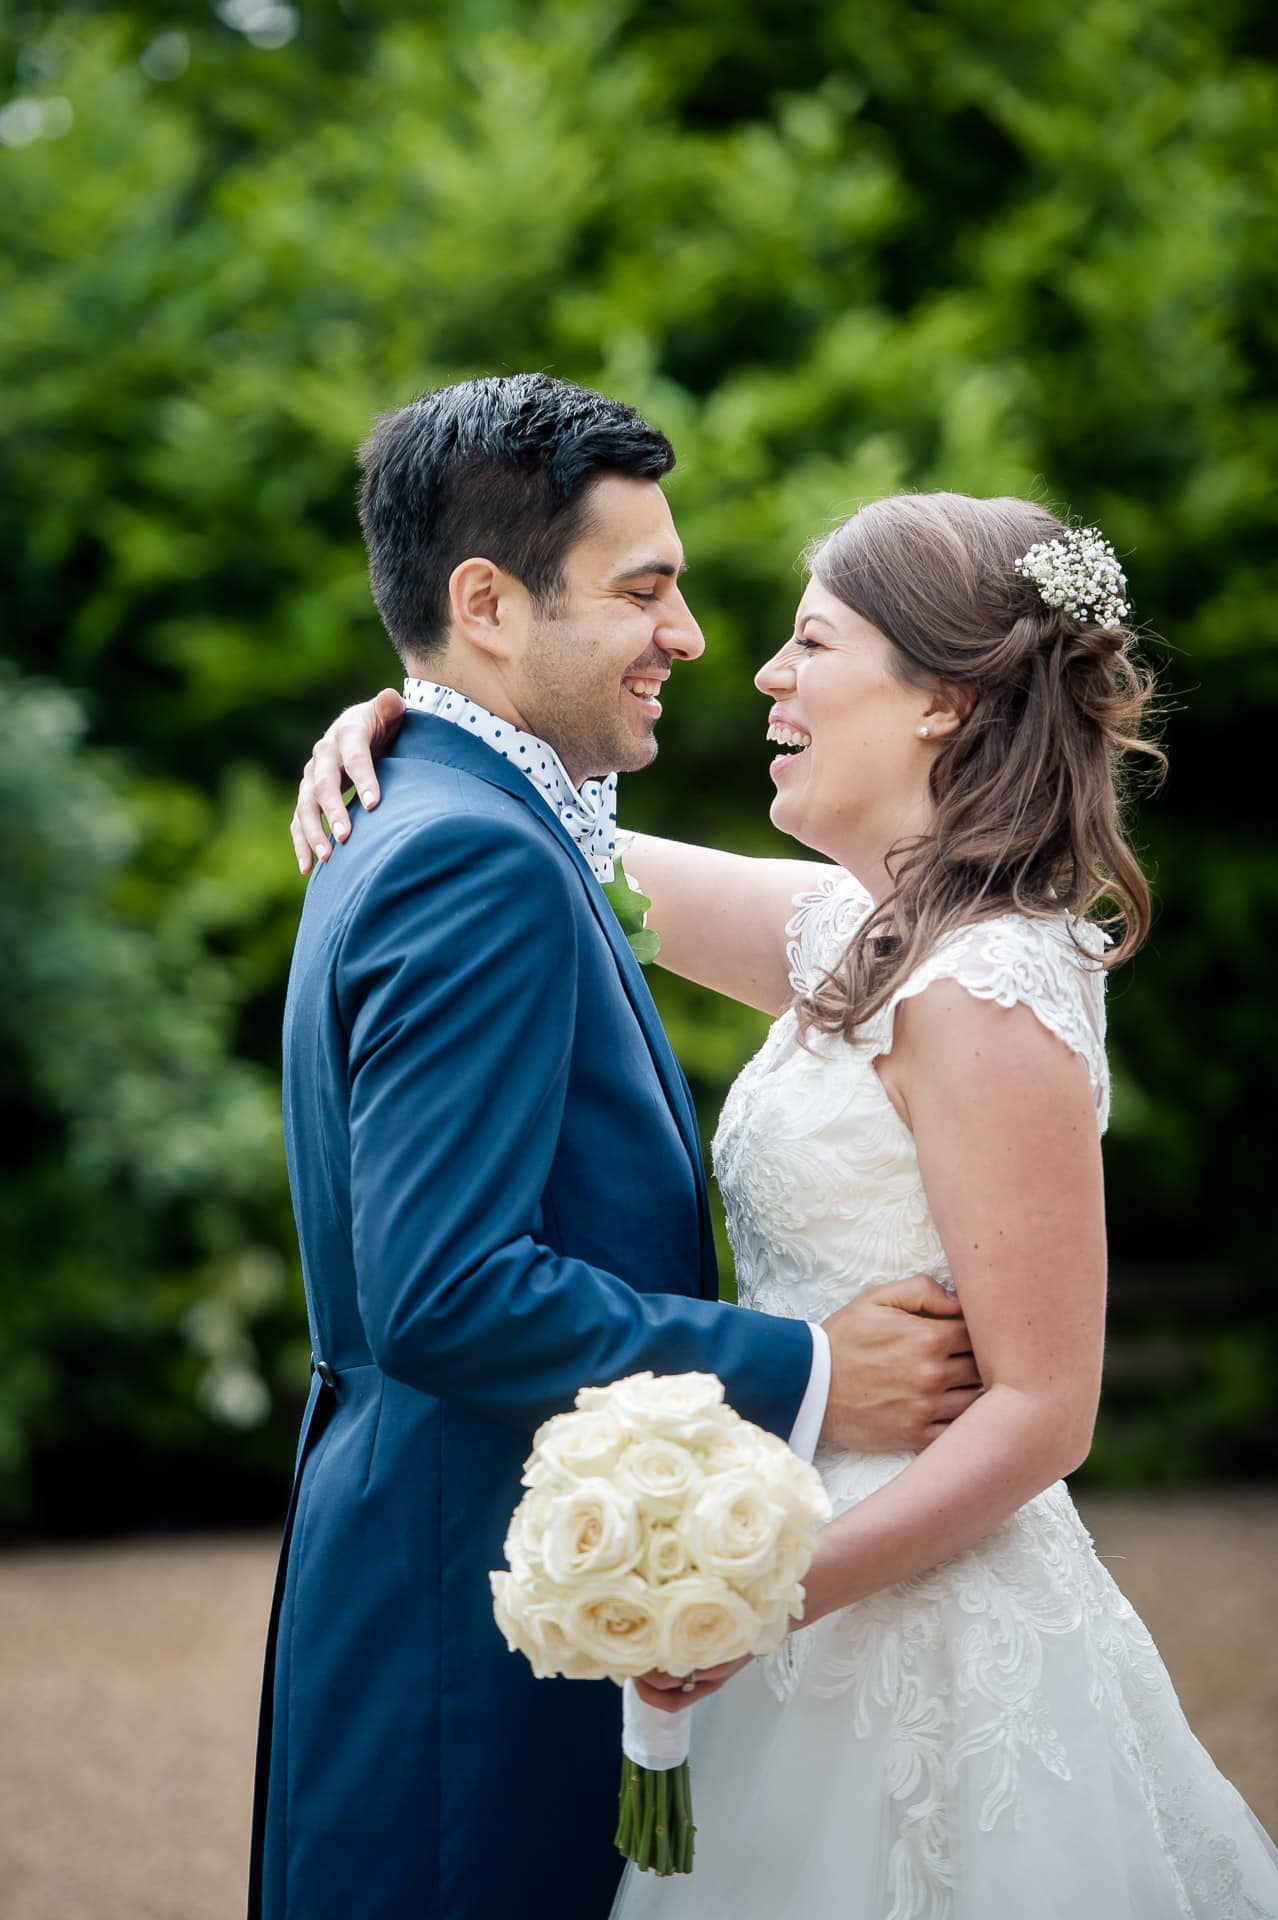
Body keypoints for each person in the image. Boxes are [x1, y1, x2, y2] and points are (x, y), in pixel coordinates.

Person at [297, 491, 1278, 1917]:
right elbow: (542, 844)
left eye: (810, 642)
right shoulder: (859, 934)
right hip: (777, 1571)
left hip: (907, 1607)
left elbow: (1043, 1409)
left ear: (941, 701)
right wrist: (406, 718)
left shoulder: (987, 987)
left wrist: (765, 1592)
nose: (761, 673)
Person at [253, 374, 982, 1920]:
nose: (694, 638)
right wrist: (810, 1368)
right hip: (470, 1623)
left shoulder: (451, 813)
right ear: (488, 604)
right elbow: (447, 1296)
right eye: (644, 589)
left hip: (454, 1575)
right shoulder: (467, 852)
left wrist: (401, 704)